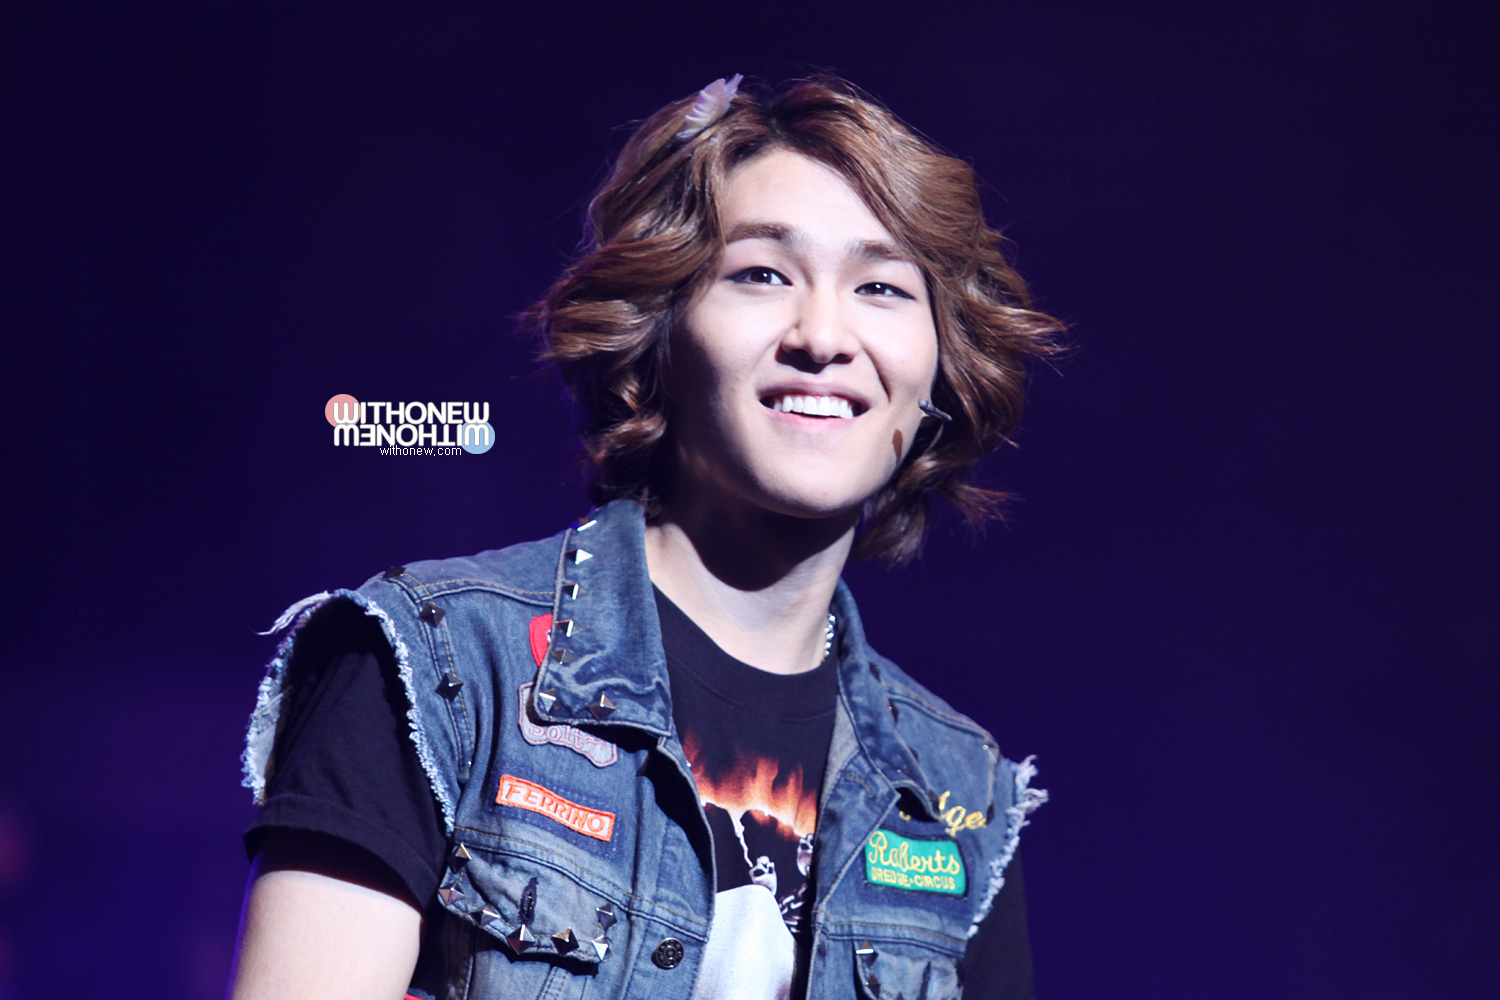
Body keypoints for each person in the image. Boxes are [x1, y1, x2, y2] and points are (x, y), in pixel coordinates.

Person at [229, 75, 1065, 1000]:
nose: (824, 335)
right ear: (658, 329)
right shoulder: (440, 667)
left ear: (941, 369)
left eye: (881, 287)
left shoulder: (955, 797)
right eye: (761, 275)